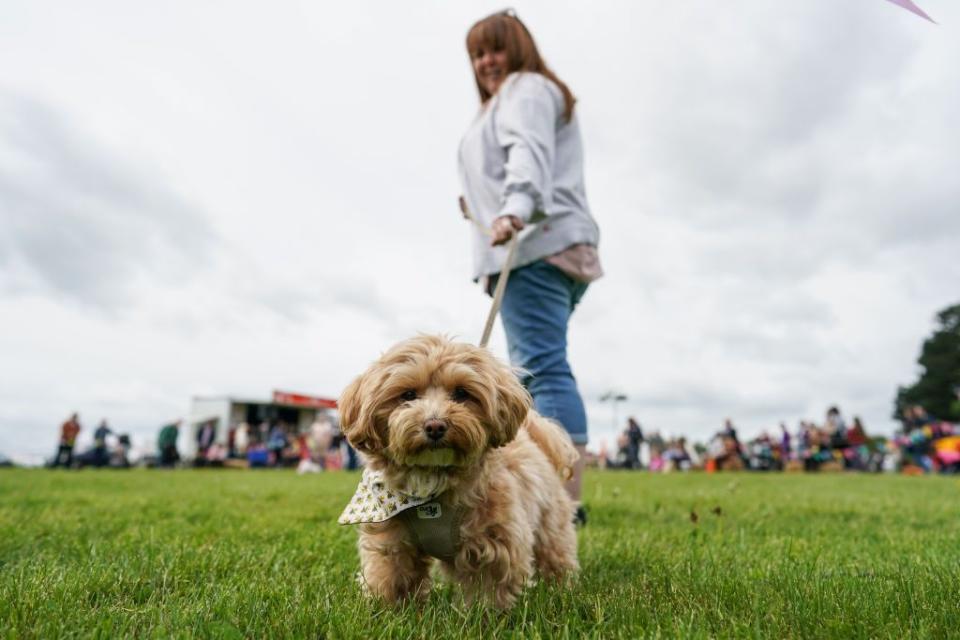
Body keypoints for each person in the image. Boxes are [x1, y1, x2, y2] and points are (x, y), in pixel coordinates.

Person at [458, 11, 602, 522]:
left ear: (518, 50)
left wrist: (513, 207)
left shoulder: (526, 88)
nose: (486, 62)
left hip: (533, 245)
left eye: (495, 49)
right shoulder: (514, 97)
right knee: (543, 365)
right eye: (477, 54)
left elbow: (529, 151)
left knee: (540, 369)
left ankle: (563, 503)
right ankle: (558, 495)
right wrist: (477, 204)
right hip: (540, 245)